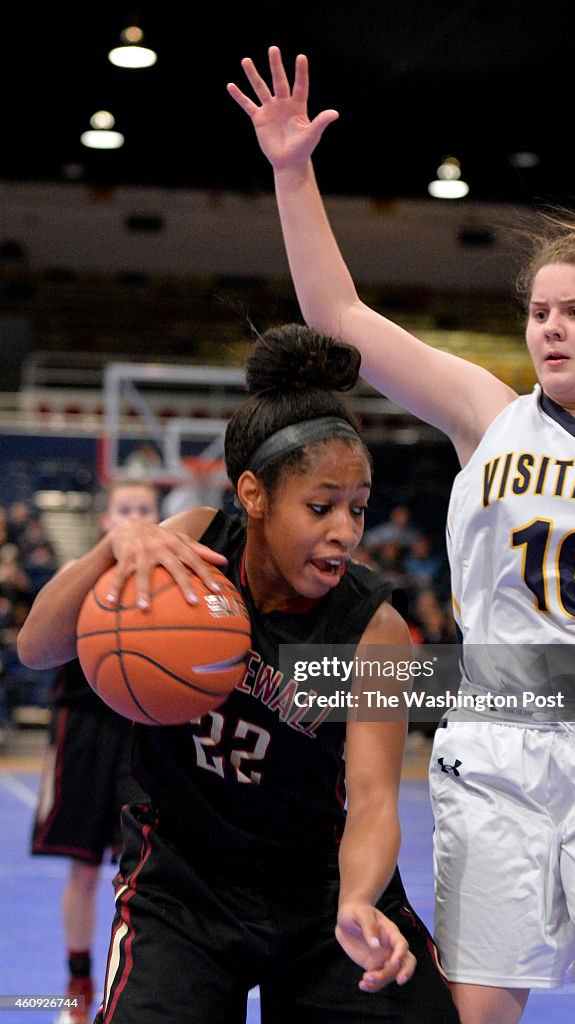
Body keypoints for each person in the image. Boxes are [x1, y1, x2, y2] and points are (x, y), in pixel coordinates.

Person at [227, 47, 575, 1024]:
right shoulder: (485, 411)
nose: (550, 329)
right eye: (537, 313)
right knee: (473, 1017)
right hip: (498, 754)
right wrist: (291, 169)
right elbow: (337, 314)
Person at [18, 326, 457, 1024]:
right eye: (320, 507)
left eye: (357, 508)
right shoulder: (190, 546)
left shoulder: (367, 627)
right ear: (252, 495)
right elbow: (38, 648)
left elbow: (374, 799)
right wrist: (112, 549)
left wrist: (356, 902)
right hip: (180, 884)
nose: (345, 530)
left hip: (316, 891)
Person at [30, 481, 159, 1024]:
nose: (133, 517)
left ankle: (142, 983)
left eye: (144, 509)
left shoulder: (177, 588)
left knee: (146, 872)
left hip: (145, 733)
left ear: (159, 517)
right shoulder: (77, 577)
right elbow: (36, 646)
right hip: (83, 731)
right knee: (82, 871)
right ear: (107, 519)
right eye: (124, 509)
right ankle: (78, 987)